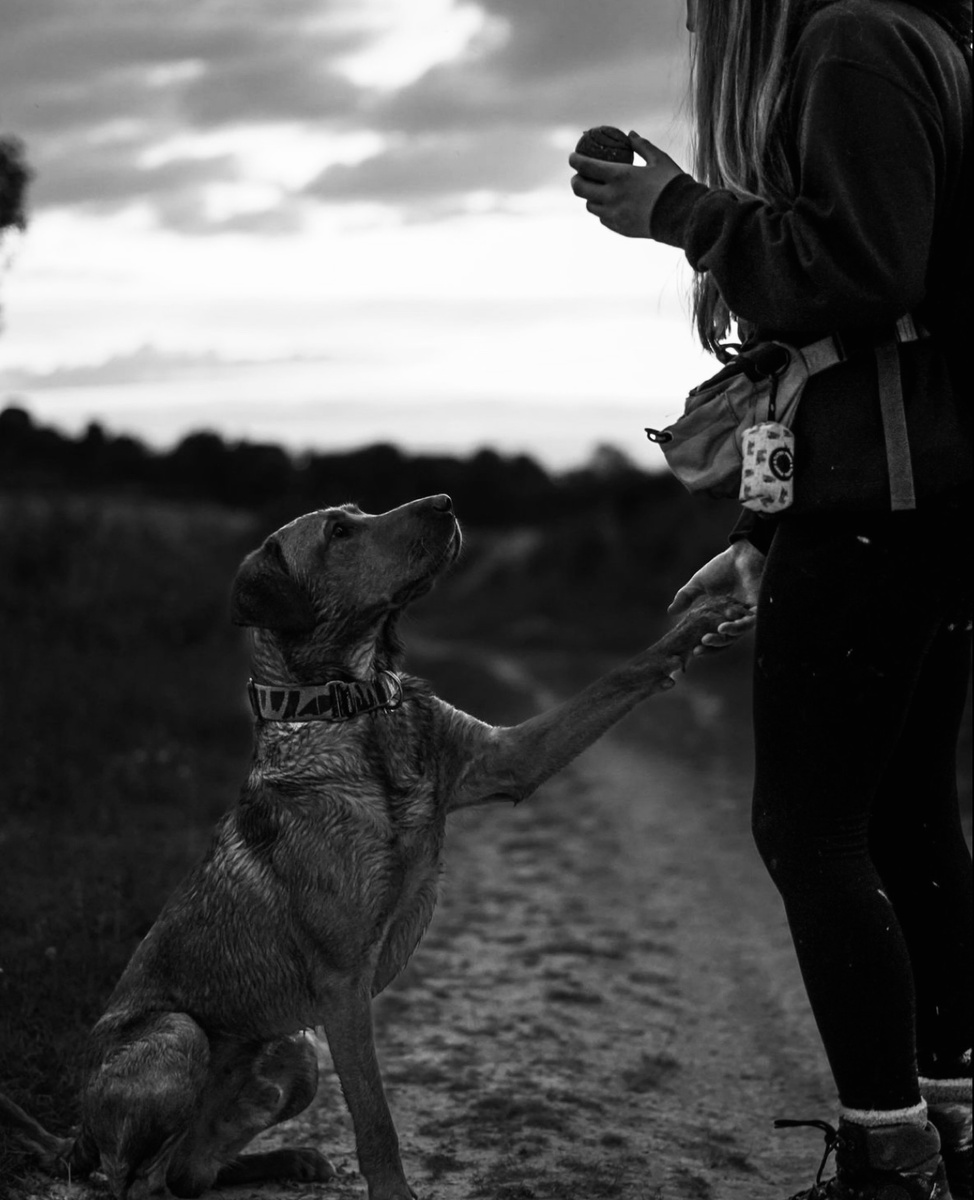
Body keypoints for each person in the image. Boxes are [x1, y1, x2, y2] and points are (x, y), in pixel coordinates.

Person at [569, 2, 972, 1198]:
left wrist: (679, 214)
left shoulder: (848, 39)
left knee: (808, 829)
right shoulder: (920, 35)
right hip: (920, 496)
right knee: (902, 817)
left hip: (880, 505)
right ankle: (948, 1119)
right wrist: (758, 531)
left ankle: (886, 1154)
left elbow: (863, 267)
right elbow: (882, 320)